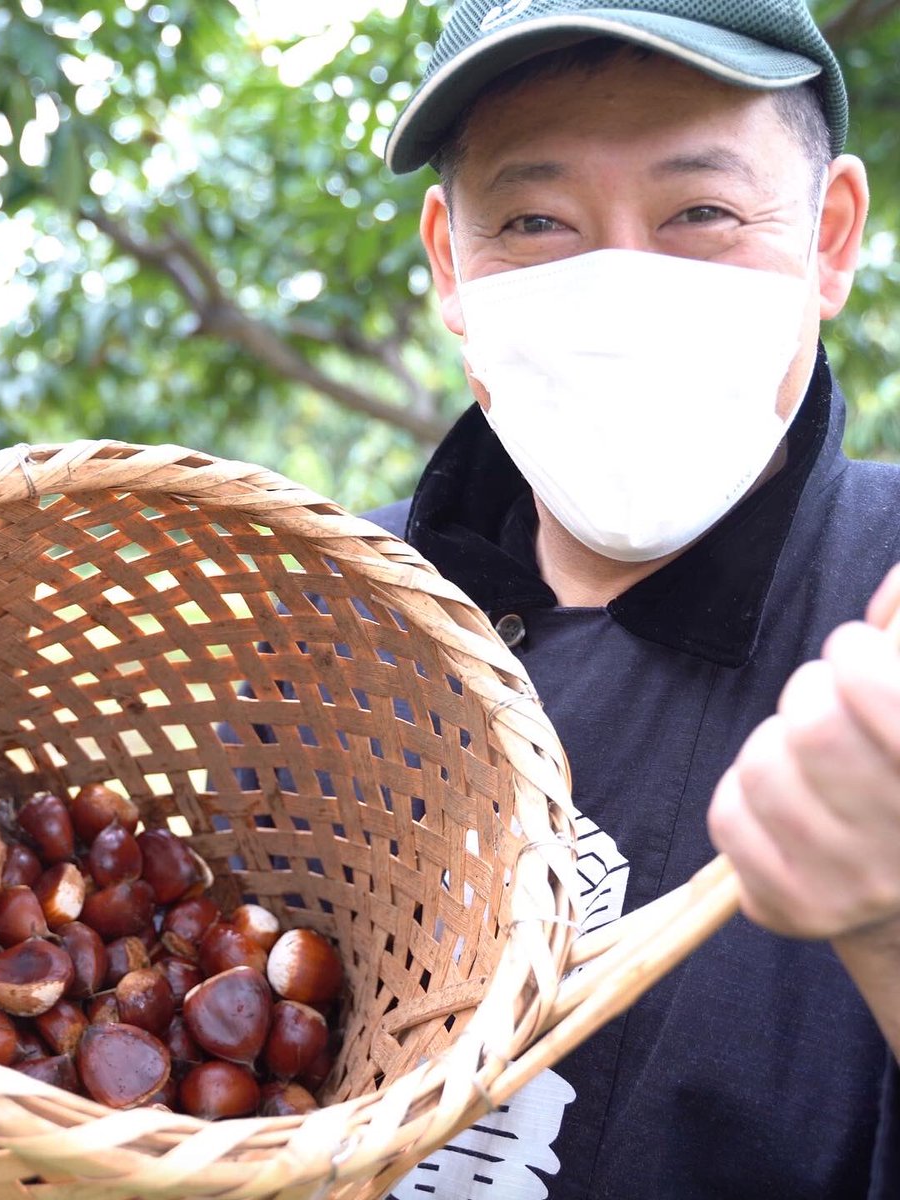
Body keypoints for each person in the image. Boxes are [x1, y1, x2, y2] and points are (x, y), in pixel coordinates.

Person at [370, 1, 900, 1195]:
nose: (616, 286)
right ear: (452, 261)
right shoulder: (335, 617)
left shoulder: (887, 614)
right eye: (536, 220)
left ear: (830, 236)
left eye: (701, 212)